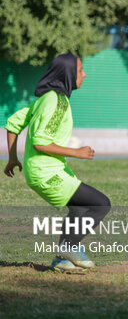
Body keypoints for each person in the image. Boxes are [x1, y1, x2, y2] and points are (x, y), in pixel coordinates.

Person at [3, 54, 111, 273]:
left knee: (78, 208)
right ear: (69, 74)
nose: (84, 74)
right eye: (81, 70)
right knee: (101, 204)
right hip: (47, 173)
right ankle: (68, 246)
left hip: (45, 171)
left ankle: (61, 260)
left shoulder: (45, 99)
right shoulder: (57, 100)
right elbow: (42, 143)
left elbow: (13, 123)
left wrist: (13, 158)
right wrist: (77, 152)